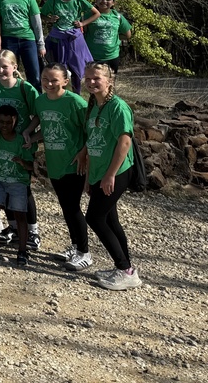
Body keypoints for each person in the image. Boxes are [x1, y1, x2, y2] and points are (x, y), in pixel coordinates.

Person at [23, 63, 91, 271]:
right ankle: (75, 246)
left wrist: (84, 153)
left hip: (74, 164)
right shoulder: (41, 102)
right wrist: (31, 136)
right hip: (55, 164)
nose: (49, 84)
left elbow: (91, 131)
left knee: (73, 208)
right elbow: (49, 128)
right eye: (45, 79)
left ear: (65, 81)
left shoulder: (76, 102)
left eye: (54, 80)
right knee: (66, 207)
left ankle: (85, 252)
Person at [82, 62, 142, 290]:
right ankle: (124, 268)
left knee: (95, 218)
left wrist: (110, 175)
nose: (91, 82)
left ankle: (125, 268)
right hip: (99, 172)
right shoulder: (94, 105)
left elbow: (124, 141)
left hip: (116, 172)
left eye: (96, 78)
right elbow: (93, 141)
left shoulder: (118, 107)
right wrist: (90, 176)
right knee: (110, 219)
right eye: (88, 78)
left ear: (110, 81)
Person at [0, 104, 35, 265]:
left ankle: (23, 251)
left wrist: (23, 162)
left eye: (8, 122)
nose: (4, 126)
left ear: (15, 121)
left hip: (17, 183)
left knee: (20, 215)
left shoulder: (20, 141)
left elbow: (32, 165)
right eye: (1, 122)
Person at [41, 0, 100, 93]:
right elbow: (41, 15)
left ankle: (76, 94)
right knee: (59, 69)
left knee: (76, 67)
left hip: (75, 38)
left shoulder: (79, 0)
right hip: (58, 38)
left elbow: (96, 13)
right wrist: (50, 19)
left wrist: (83, 23)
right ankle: (59, 93)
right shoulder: (52, 1)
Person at [0, 0, 46, 90]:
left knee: (34, 74)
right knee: (9, 72)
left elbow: (37, 23)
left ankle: (36, 99)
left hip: (27, 40)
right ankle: (13, 96)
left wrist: (41, 44)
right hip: (9, 40)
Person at [84, 0, 133, 73]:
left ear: (113, 3)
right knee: (94, 81)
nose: (104, 1)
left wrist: (114, 36)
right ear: (96, 0)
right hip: (92, 56)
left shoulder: (118, 16)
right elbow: (83, 32)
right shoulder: (88, 14)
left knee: (110, 82)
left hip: (112, 56)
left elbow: (127, 35)